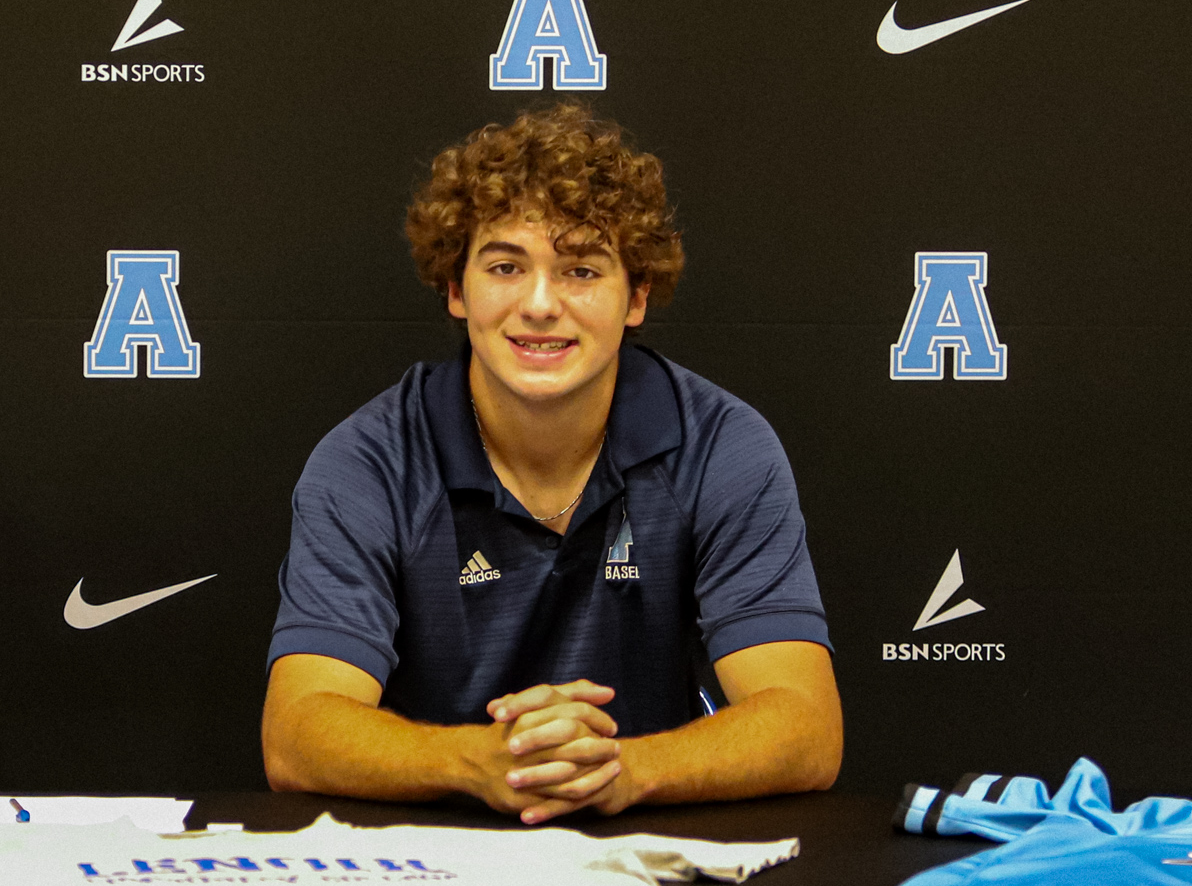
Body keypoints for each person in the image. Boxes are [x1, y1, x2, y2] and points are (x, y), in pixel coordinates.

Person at [262, 103, 840, 823]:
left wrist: (624, 769)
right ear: (455, 288)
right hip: (428, 868)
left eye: (580, 269)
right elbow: (297, 730)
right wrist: (479, 760)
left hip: (650, 856)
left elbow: (807, 726)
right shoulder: (368, 459)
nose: (540, 303)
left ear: (635, 297)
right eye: (506, 265)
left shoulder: (722, 443)